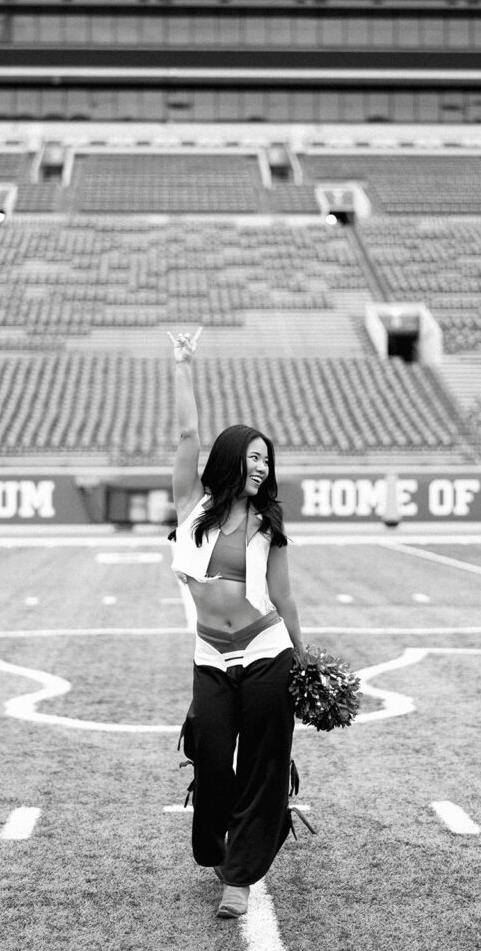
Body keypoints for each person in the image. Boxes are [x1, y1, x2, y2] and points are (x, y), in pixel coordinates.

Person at [167, 327, 307, 920]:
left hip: (265, 650)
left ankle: (241, 880)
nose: (260, 467)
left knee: (262, 763)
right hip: (211, 655)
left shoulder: (268, 524)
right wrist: (183, 366)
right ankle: (220, 846)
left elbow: (284, 595)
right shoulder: (192, 506)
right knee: (214, 752)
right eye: (252, 457)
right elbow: (184, 434)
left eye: (266, 460)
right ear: (230, 459)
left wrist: (304, 659)